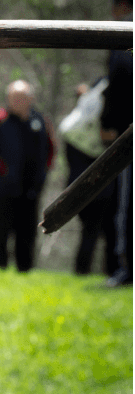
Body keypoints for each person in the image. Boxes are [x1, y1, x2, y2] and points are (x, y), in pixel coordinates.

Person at [0, 80, 55, 272]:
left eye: (22, 97)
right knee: (1, 229)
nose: (18, 101)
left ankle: (25, 268)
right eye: (14, 97)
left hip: (32, 186)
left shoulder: (40, 120)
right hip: (5, 185)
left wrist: (44, 172)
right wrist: (2, 170)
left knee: (28, 229)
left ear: (31, 98)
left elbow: (51, 149)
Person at [60, 81, 118, 276]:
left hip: (79, 188)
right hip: (96, 189)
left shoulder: (73, 129)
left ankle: (90, 271)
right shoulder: (89, 130)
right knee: (98, 229)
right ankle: (102, 271)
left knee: (96, 230)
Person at [100, 0, 133, 287]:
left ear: (122, 5)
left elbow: (119, 80)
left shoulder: (123, 34)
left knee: (127, 203)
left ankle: (127, 269)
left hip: (129, 134)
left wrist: (108, 122)